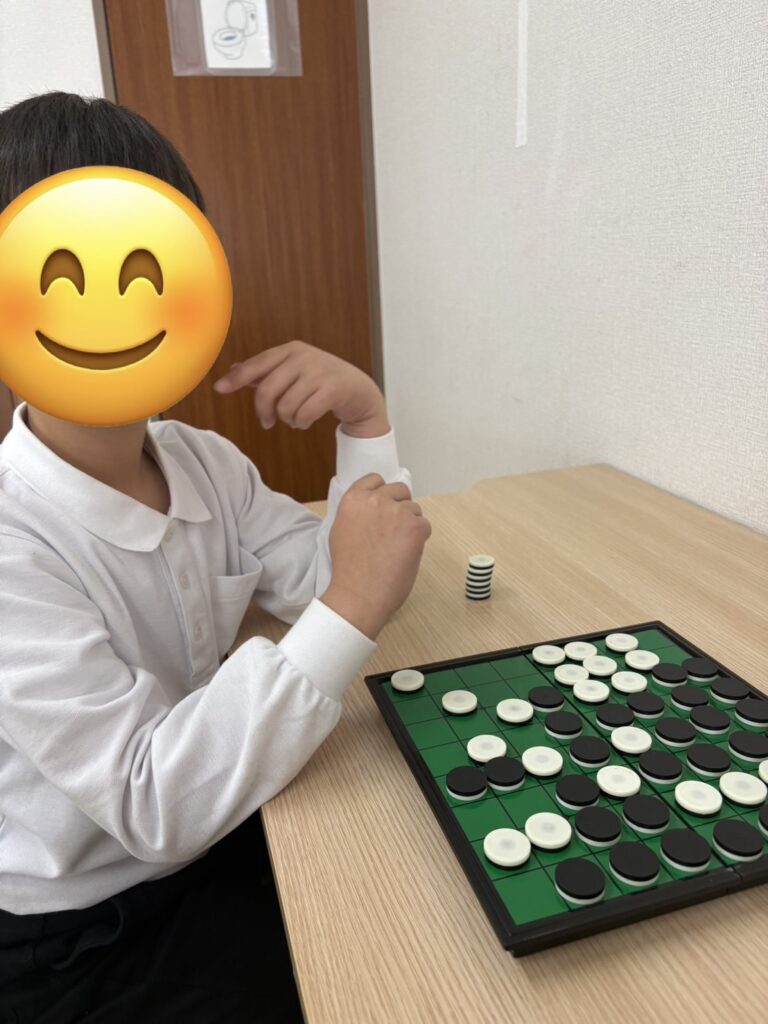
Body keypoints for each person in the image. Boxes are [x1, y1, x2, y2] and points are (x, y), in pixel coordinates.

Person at [0, 92, 431, 1023]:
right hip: (84, 922)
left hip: (218, 812)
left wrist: (364, 418)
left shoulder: (203, 461)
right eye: (61, 275)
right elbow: (148, 800)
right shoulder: (11, 544)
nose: (111, 309)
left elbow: (347, 578)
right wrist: (352, 601)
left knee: (417, 902)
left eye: (149, 269)